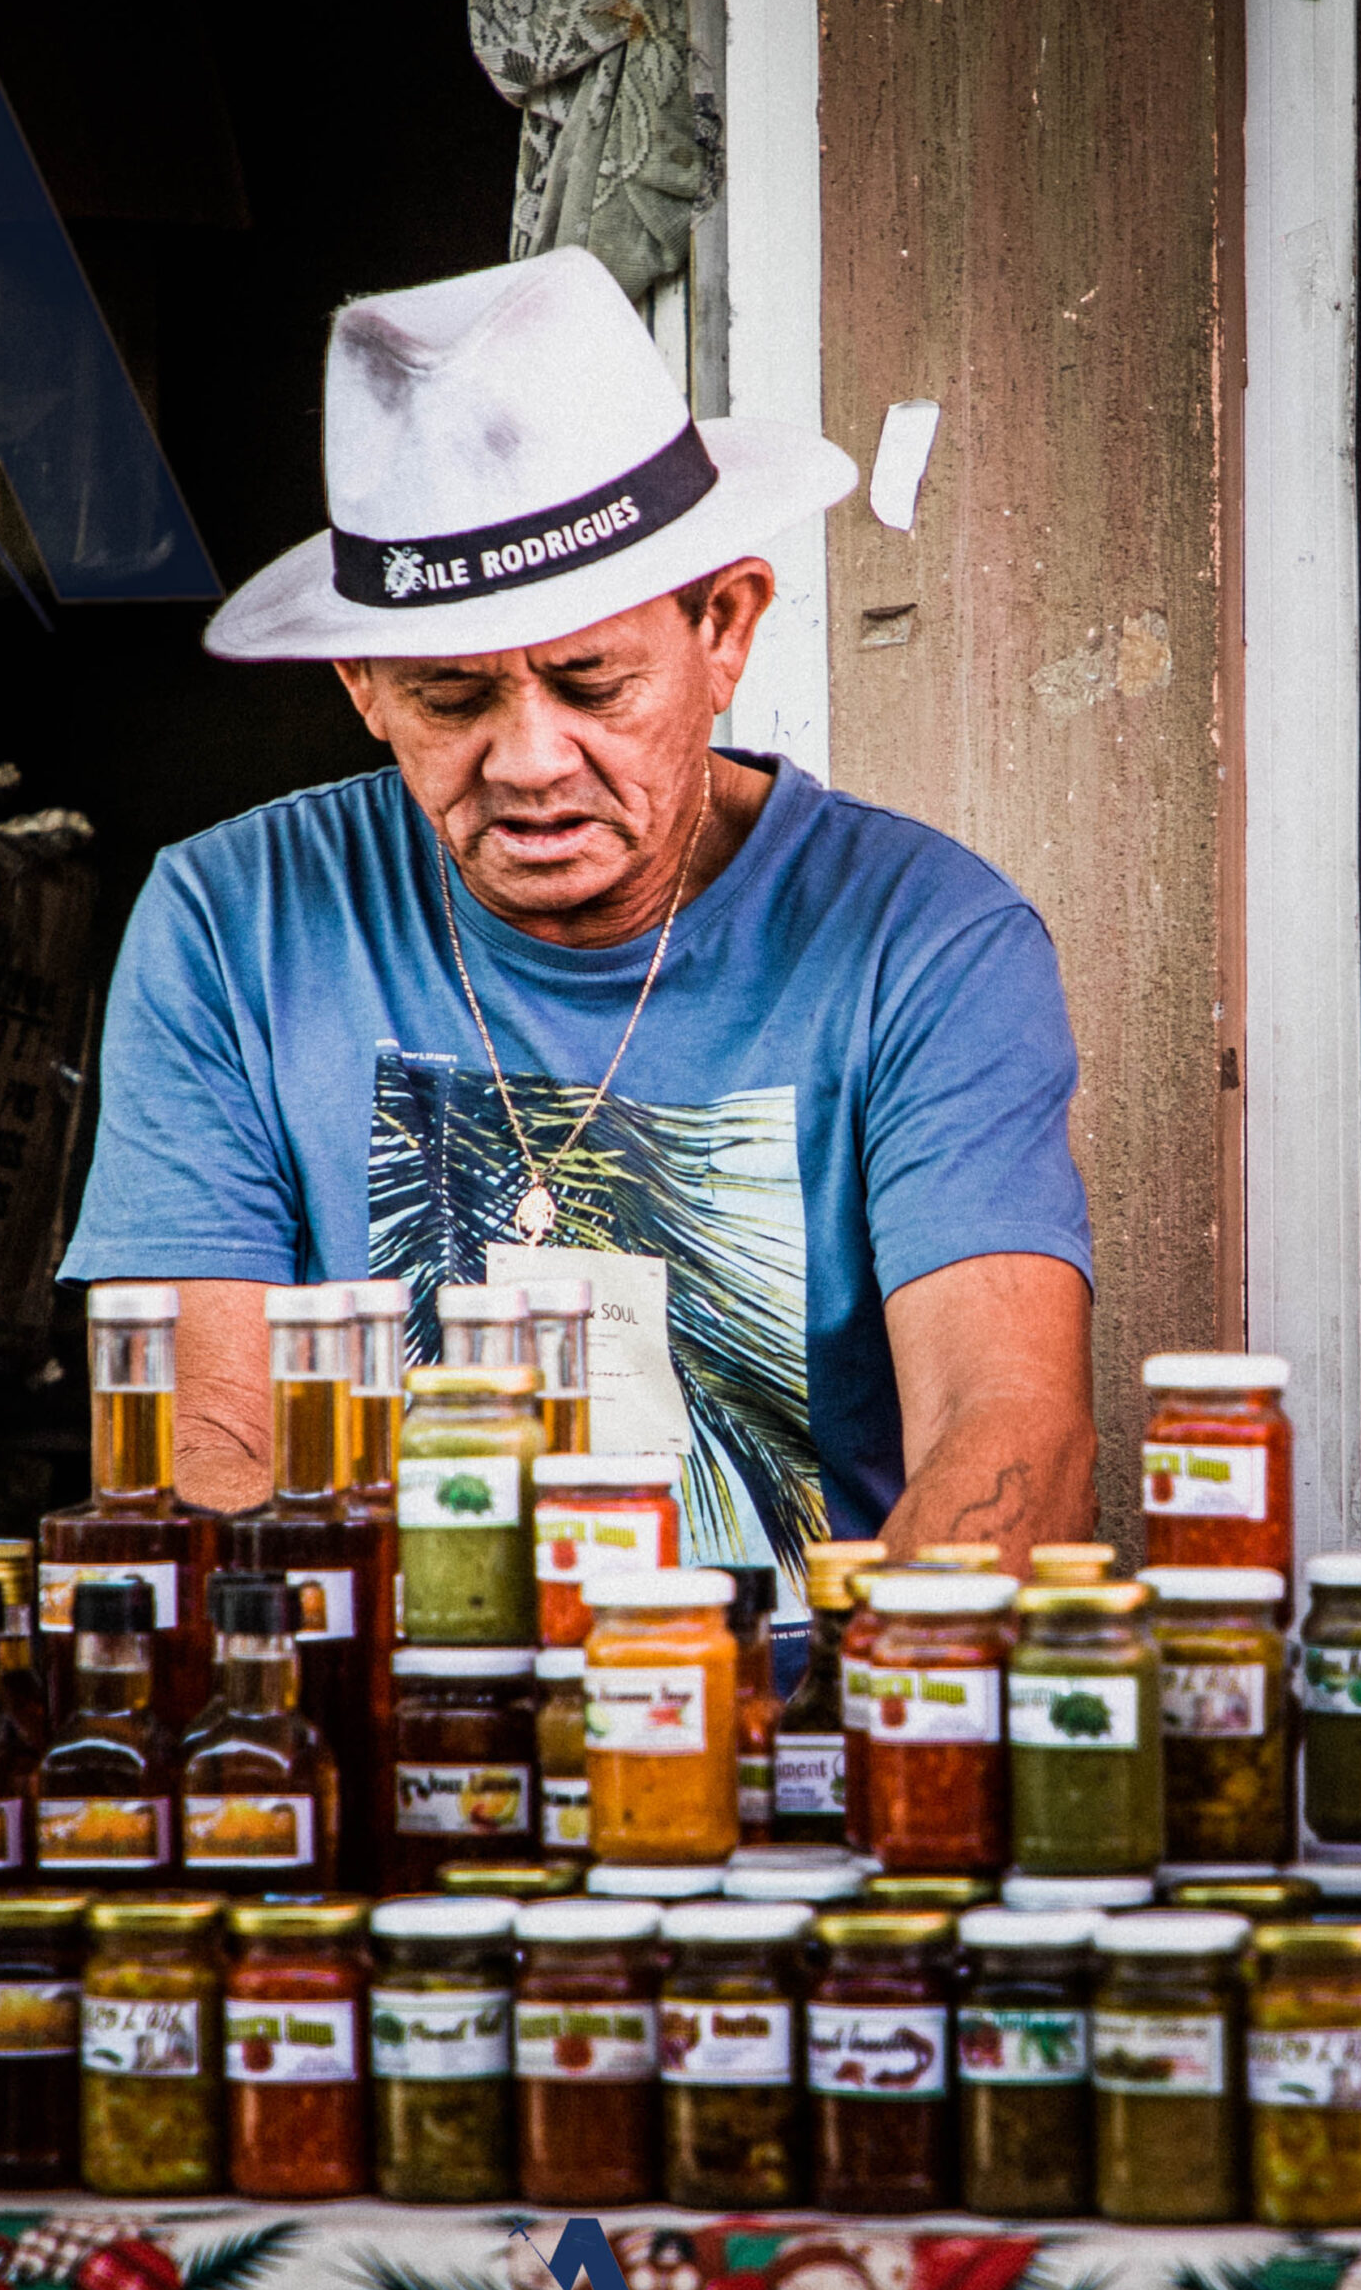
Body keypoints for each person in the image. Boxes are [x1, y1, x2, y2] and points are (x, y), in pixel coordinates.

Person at [62, 246, 1096, 1570]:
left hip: (814, 1725)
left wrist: (835, 1738)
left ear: (724, 629)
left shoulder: (926, 942)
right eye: (452, 697)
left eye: (591, 683)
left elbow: (1012, 1436)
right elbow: (200, 1444)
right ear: (362, 689)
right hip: (415, 1720)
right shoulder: (231, 924)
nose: (532, 759)